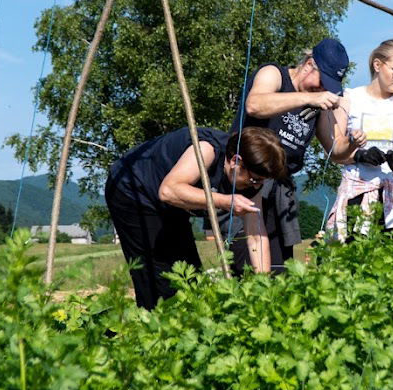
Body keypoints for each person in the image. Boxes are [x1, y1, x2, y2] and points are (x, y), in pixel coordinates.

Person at [105, 125, 288, 309]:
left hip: (171, 206)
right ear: (236, 161)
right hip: (134, 190)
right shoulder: (206, 150)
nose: (256, 186)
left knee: (190, 281)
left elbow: (256, 236)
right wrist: (225, 201)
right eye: (254, 179)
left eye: (263, 182)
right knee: (159, 282)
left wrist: (263, 286)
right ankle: (148, 320)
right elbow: (168, 191)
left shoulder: (252, 183)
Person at [228, 37, 349, 273]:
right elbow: (255, 105)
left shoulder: (317, 102)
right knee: (246, 271)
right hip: (246, 183)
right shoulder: (274, 74)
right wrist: (309, 98)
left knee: (279, 272)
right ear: (309, 64)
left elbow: (336, 150)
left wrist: (354, 145)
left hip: (279, 195)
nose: (322, 90)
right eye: (322, 82)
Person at [324, 38, 393, 240]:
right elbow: (335, 149)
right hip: (358, 191)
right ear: (377, 65)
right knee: (353, 252)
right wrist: (359, 155)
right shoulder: (349, 98)